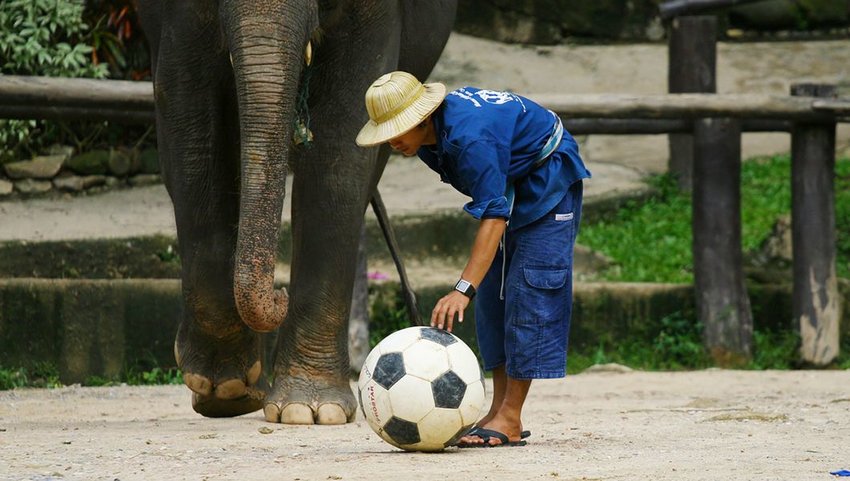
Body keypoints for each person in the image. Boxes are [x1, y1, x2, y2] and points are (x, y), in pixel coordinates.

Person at [356, 71, 590, 447]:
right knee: (494, 296)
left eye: (399, 130)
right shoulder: (427, 141)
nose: (393, 141)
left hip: (548, 178)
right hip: (511, 182)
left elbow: (493, 215)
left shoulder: (470, 138)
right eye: (388, 133)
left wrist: (461, 288)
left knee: (528, 289)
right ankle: (498, 410)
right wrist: (474, 287)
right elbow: (491, 200)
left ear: (423, 118)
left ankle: (511, 417)